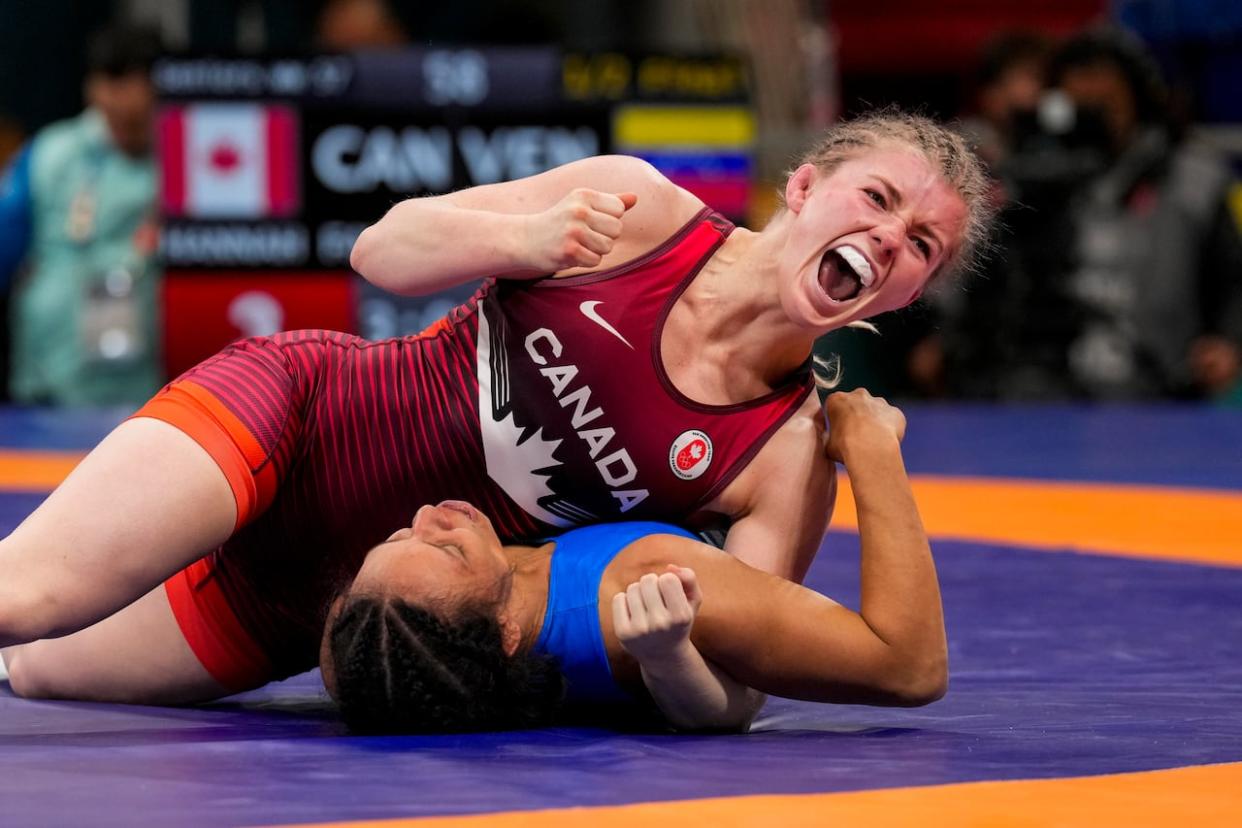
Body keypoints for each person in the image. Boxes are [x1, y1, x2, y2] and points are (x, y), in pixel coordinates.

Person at [0, 111, 988, 703]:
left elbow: (738, 683)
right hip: (294, 417)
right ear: (807, 185)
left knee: (35, 673)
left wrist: (669, 656)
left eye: (921, 246)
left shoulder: (784, 453)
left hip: (341, 597)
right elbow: (380, 250)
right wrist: (523, 240)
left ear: (906, 296)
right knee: (28, 597)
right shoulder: (634, 209)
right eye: (876, 199)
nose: (889, 237)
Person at [321, 389, 943, 732]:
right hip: (733, 538)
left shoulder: (380, 647)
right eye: (448, 548)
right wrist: (872, 448)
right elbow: (909, 668)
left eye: (402, 535)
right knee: (799, 438)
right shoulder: (642, 584)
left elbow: (354, 642)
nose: (431, 514)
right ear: (506, 633)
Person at [0, 24, 163, 406]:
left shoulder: (190, 161)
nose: (123, 114)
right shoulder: (50, 153)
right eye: (111, 97)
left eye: (138, 117)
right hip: (44, 380)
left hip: (145, 390)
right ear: (94, 90)